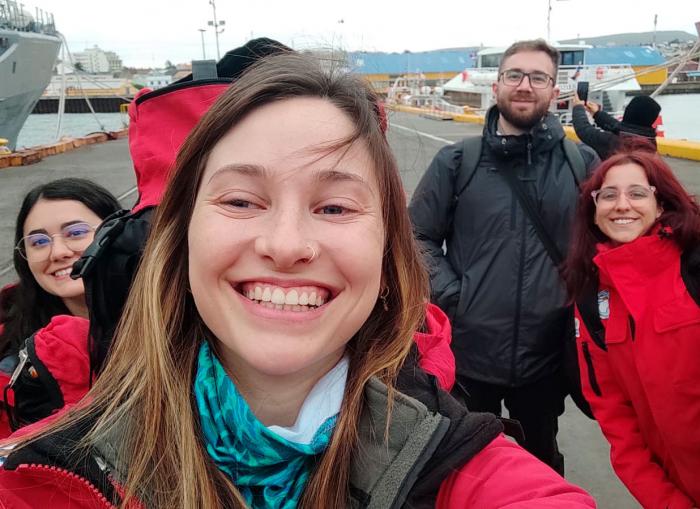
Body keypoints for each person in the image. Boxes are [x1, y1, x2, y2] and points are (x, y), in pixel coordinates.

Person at [0, 52, 596, 508]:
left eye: (335, 207)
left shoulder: (477, 477)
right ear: (178, 239)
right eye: (240, 200)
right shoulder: (38, 477)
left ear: (389, 251)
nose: (285, 245)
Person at [409, 39, 599, 475]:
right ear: (497, 85)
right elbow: (415, 236)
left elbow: (607, 243)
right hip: (469, 356)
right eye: (515, 75)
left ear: (554, 90)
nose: (525, 86)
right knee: (467, 467)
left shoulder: (581, 163)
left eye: (538, 77)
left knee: (540, 465)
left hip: (547, 357)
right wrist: (456, 297)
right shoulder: (458, 161)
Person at [564, 147, 700, 509]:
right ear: (593, 211)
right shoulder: (591, 299)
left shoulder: (694, 267)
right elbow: (618, 426)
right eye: (608, 195)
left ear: (662, 204)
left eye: (638, 193)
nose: (622, 205)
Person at [0, 178, 120, 435]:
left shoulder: (178, 319)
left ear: (119, 232)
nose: (57, 252)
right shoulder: (8, 355)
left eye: (76, 233)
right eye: (39, 242)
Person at [571, 94, 661, 159]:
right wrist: (597, 114)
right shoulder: (649, 141)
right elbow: (618, 127)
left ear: (629, 111)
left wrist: (577, 107)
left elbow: (585, 131)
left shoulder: (614, 142)